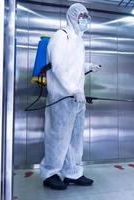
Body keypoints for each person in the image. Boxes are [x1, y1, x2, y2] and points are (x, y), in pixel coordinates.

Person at [40, 3, 101, 190]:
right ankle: (50, 172)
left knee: (75, 138)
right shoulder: (61, 36)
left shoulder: (77, 40)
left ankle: (72, 173)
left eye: (86, 16)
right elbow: (58, 66)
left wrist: (87, 66)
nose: (85, 20)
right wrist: (72, 89)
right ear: (73, 17)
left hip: (77, 98)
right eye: (82, 16)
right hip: (62, 97)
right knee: (58, 136)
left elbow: (72, 66)